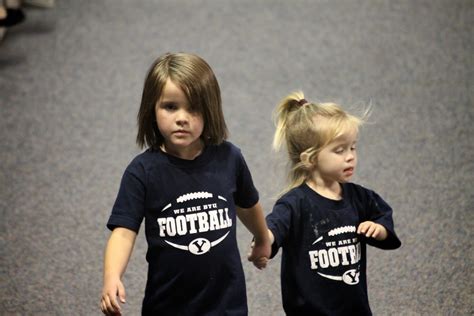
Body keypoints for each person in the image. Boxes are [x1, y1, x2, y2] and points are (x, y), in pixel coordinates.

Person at [100, 52, 271, 316]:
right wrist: (112, 277)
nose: (182, 118)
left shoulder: (229, 158)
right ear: (152, 109)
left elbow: (247, 204)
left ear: (210, 110)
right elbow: (123, 232)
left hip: (226, 303)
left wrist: (261, 237)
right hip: (169, 304)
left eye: (194, 108)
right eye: (170, 107)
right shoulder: (142, 172)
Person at [264, 91, 401, 315]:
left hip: (354, 307)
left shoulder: (360, 197)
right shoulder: (295, 203)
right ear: (310, 159)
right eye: (339, 150)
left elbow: (382, 217)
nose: (350, 156)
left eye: (352, 147)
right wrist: (265, 240)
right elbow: (275, 227)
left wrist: (380, 230)